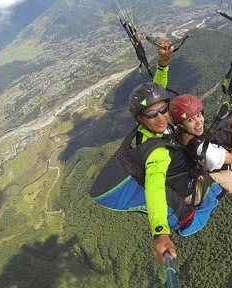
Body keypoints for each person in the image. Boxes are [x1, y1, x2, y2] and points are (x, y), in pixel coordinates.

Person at [90, 38, 223, 264]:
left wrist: (163, 64)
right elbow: (154, 187)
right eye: (153, 115)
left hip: (152, 173)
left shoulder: (155, 121)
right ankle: (189, 218)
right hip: (141, 194)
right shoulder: (157, 153)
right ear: (140, 119)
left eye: (164, 110)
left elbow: (155, 92)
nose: (161, 117)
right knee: (209, 192)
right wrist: (161, 232)